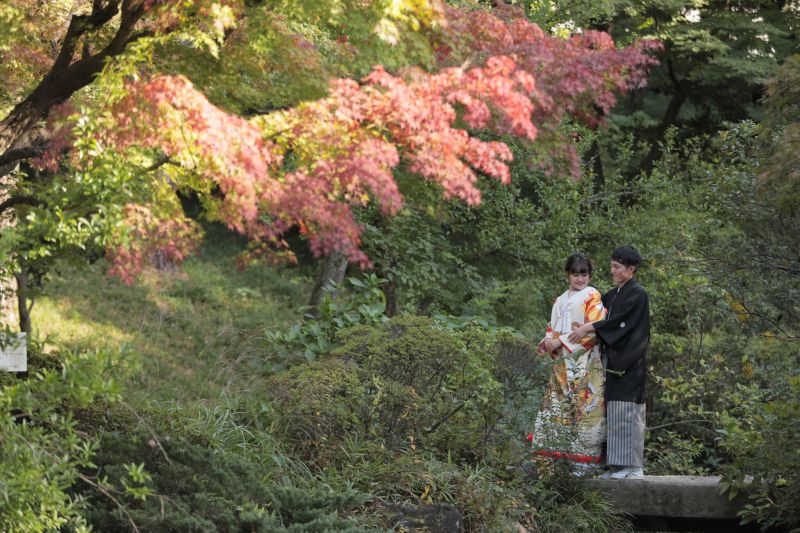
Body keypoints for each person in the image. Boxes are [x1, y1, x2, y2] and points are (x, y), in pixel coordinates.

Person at [568, 246, 650, 479]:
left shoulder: (638, 294)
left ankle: (633, 467)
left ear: (631, 270)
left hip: (630, 361)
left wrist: (589, 327)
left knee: (628, 409)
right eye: (612, 265)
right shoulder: (612, 295)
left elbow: (620, 323)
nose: (612, 270)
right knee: (610, 411)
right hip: (611, 361)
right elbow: (597, 316)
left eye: (617, 267)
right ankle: (614, 465)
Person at [530, 253, 607, 473]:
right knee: (556, 408)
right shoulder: (561, 299)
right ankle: (552, 462)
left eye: (584, 274)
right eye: (575, 274)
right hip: (562, 364)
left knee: (585, 409)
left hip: (583, 362)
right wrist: (547, 342)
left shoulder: (592, 295)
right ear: (568, 275)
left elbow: (594, 327)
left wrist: (558, 342)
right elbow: (551, 326)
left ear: (589, 275)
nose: (580, 279)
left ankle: (582, 465)